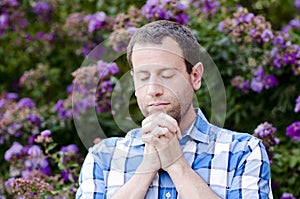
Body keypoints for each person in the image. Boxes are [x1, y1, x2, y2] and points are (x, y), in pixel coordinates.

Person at [76, 20, 273, 199]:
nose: (153, 90)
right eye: (143, 77)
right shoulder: (102, 158)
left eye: (167, 75)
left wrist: (176, 165)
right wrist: (145, 170)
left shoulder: (243, 152)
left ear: (195, 76)